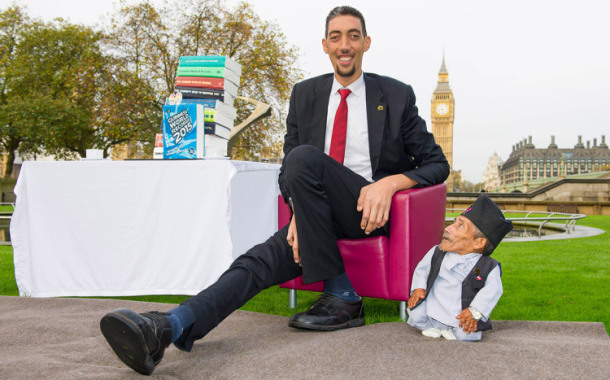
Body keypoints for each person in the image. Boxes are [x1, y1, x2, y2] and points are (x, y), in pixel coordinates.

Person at [100, 6, 449, 375]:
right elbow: (288, 174)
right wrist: (301, 211)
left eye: (352, 36)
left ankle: (343, 295)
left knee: (304, 158)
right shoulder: (305, 95)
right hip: (318, 216)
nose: (344, 45)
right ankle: (167, 328)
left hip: (368, 212)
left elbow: (436, 164)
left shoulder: (395, 95)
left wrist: (391, 183)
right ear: (325, 45)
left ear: (366, 42)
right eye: (336, 37)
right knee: (255, 262)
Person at [406, 194, 513, 341]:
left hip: (459, 313)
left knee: (467, 333)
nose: (448, 228)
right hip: (433, 306)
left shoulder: (488, 267)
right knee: (416, 315)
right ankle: (431, 326)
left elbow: (493, 290)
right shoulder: (437, 252)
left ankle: (453, 330)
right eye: (454, 222)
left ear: (478, 243)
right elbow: (422, 270)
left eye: (460, 226)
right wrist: (418, 288)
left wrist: (474, 311)